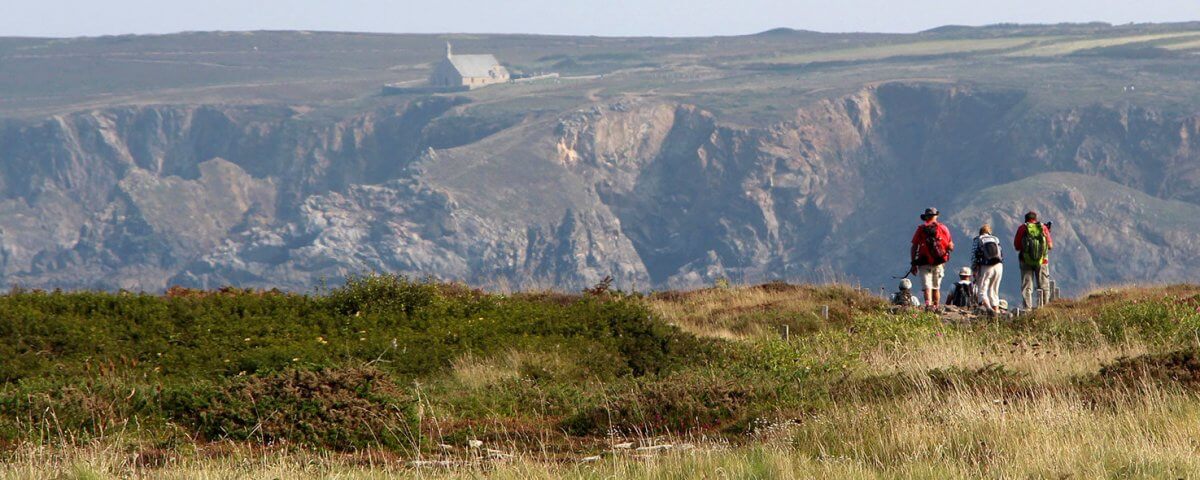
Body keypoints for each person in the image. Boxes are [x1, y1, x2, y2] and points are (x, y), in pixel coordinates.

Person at [910, 207, 954, 310]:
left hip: (924, 261)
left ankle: (928, 305)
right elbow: (951, 246)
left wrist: (913, 263)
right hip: (939, 262)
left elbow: (914, 246)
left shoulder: (921, 229)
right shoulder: (943, 228)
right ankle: (936, 306)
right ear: (936, 216)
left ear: (925, 217)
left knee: (927, 287)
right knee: (936, 287)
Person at [1014, 211, 1053, 309]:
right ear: (1035, 219)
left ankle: (1027, 308)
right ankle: (1045, 307)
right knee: (1043, 285)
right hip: (1042, 261)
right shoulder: (1043, 228)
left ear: (1026, 219)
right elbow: (1050, 246)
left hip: (1025, 261)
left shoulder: (1022, 228)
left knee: (1027, 286)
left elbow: (1017, 246)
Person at [971, 224, 1004, 313]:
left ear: (980, 232)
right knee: (994, 289)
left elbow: (974, 255)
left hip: (986, 266)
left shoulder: (978, 239)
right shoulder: (995, 239)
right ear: (989, 232)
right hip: (998, 265)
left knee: (982, 289)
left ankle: (989, 309)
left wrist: (974, 269)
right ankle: (996, 311)